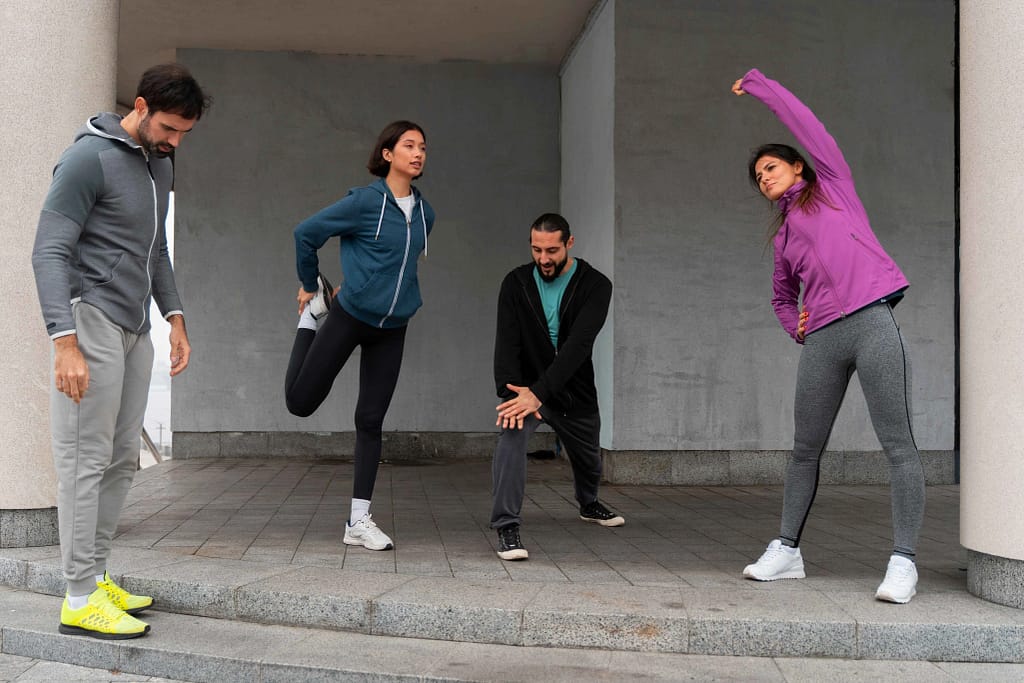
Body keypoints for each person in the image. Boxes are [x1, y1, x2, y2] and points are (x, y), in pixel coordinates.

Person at [732, 69, 926, 603]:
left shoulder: (833, 187)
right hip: (822, 338)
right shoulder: (784, 236)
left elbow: (808, 124)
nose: (764, 177)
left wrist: (761, 87)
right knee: (804, 450)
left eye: (770, 167)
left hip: (871, 321)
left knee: (898, 445)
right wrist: (792, 324)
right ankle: (788, 551)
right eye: (757, 176)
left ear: (797, 165)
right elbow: (779, 297)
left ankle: (903, 562)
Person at [31, 64, 210, 638]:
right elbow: (49, 252)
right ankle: (79, 597)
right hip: (90, 321)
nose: (175, 142)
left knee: (119, 461)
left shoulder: (158, 163)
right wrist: (65, 342)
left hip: (136, 329)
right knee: (84, 460)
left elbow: (155, 252)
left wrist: (175, 318)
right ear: (139, 106)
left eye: (184, 133)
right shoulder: (88, 158)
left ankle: (95, 573)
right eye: (169, 128)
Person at [285, 121, 434, 552]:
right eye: (409, 145)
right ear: (387, 154)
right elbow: (305, 233)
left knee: (370, 420)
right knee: (300, 403)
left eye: (423, 147)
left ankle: (357, 520)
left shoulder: (426, 214)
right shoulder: (365, 202)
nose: (418, 153)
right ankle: (311, 318)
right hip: (349, 315)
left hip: (393, 327)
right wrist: (310, 283)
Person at [490, 213, 623, 561]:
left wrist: (541, 392)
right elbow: (507, 344)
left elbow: (578, 347)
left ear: (569, 244)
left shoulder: (596, 285)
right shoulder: (516, 283)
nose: (544, 259)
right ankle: (506, 525)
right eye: (537, 250)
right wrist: (513, 396)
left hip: (573, 389)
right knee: (511, 437)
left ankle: (589, 503)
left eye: (552, 250)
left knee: (589, 459)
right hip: (525, 389)